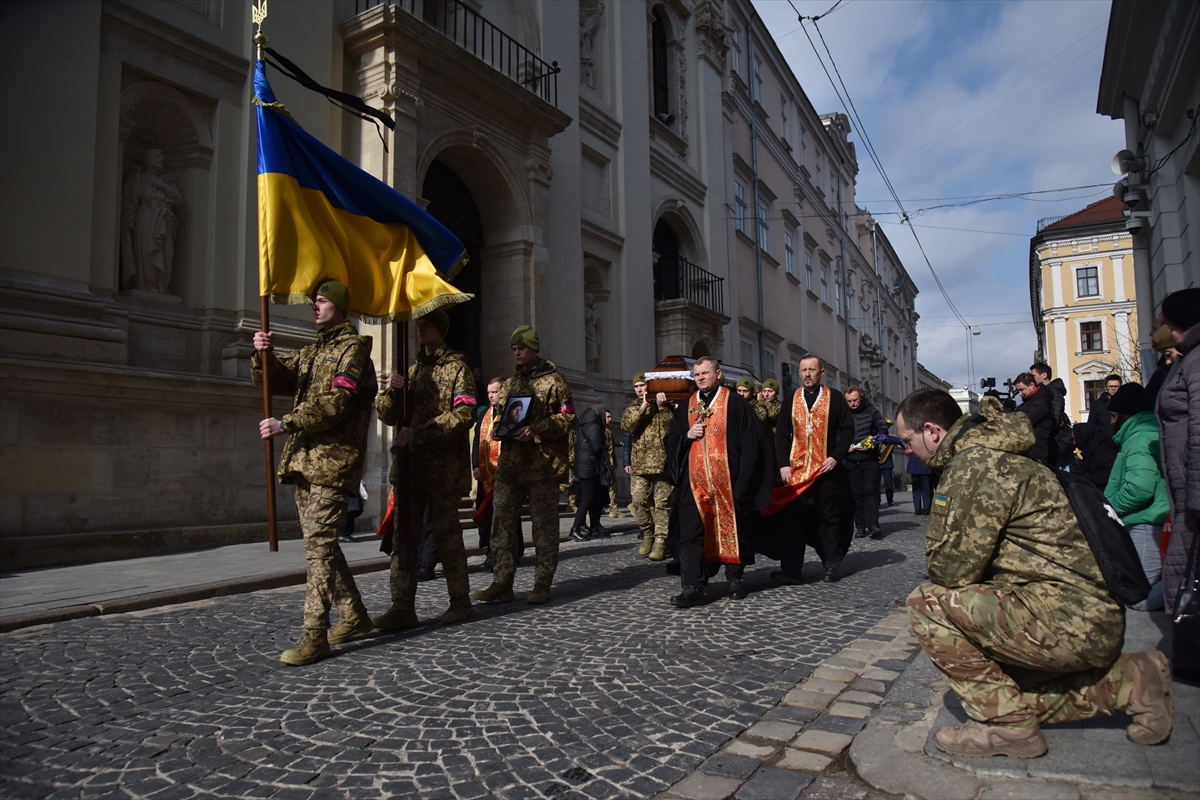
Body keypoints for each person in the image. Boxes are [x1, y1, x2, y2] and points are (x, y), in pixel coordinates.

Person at [898, 388, 1173, 759]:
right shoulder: (998, 452)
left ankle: (1008, 730)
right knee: (1009, 693)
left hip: (1065, 617)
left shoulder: (976, 465)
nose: (906, 450)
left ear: (932, 431)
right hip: (1086, 615)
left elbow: (951, 572)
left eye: (907, 440)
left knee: (927, 604)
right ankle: (1135, 682)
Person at [252, 280, 378, 666]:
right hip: (304, 460)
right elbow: (277, 378)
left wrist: (286, 423)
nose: (315, 306)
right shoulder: (313, 350)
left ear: (339, 307)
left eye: (322, 301)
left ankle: (314, 635)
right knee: (320, 546)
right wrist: (263, 354)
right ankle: (354, 614)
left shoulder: (353, 350)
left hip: (333, 463)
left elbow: (338, 402)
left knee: (319, 549)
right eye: (314, 301)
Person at [373, 309, 477, 630]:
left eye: (427, 324)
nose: (420, 327)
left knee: (447, 535)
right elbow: (387, 415)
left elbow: (464, 414)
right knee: (404, 536)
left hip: (443, 470)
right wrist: (392, 390)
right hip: (411, 468)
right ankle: (402, 605)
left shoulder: (458, 369)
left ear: (441, 330)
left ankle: (460, 600)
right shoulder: (413, 370)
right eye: (419, 323)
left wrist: (423, 430)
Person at [474, 326, 576, 605]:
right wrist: (498, 428)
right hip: (510, 465)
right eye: (513, 349)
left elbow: (568, 418)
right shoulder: (511, 384)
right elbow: (502, 415)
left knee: (544, 527)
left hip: (542, 467)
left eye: (521, 347)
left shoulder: (555, 380)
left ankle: (542, 582)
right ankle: (502, 582)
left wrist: (538, 429)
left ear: (534, 348)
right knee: (501, 523)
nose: (516, 352)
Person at [665, 357, 772, 606]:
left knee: (732, 530)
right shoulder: (688, 405)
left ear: (718, 373)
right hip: (694, 483)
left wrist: (743, 481)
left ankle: (735, 578)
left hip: (729, 482)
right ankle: (692, 585)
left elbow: (751, 444)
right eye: (697, 374)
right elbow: (671, 439)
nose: (700, 377)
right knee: (691, 534)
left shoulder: (734, 402)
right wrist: (686, 435)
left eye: (705, 373)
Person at [771, 355, 855, 583]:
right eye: (804, 370)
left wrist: (836, 457)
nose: (807, 374)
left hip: (825, 471)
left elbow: (847, 430)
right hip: (797, 472)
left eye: (812, 370)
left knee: (829, 517)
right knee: (793, 520)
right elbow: (781, 434)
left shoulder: (835, 398)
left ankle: (831, 564)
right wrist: (783, 464)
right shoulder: (791, 399)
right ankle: (791, 569)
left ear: (821, 372)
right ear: (800, 373)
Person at [1156, 288, 1200, 682]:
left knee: (1185, 572)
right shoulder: (1187, 359)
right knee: (1182, 570)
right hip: (1184, 489)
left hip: (1193, 493)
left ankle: (1189, 655)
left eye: (1164, 321)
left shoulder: (1196, 360)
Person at [1104, 383, 1169, 612]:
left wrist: (1109, 509)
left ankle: (1188, 587)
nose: (1111, 421)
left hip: (1146, 522)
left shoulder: (1140, 438)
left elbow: (1139, 489)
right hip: (1147, 519)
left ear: (1124, 414)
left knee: (1139, 597)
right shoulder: (1144, 434)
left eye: (1113, 415)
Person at [622, 373, 676, 561]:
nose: (639, 389)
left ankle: (661, 542)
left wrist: (662, 408)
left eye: (642, 386)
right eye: (636, 386)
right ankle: (648, 534)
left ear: (650, 386)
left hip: (663, 463)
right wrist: (644, 406)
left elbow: (674, 428)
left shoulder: (667, 407)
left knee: (663, 504)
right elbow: (628, 426)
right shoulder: (633, 409)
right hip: (640, 464)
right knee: (638, 501)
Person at [473, 377, 523, 572]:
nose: (491, 396)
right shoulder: (484, 414)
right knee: (487, 515)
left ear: (503, 391)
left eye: (494, 392)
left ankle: (508, 550)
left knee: (506, 515)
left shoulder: (511, 413)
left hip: (505, 473)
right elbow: (477, 442)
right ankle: (490, 550)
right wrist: (476, 465)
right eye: (489, 393)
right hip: (486, 474)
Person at [845, 387, 889, 539]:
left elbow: (883, 430)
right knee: (856, 494)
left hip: (869, 459)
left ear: (861, 398)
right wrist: (845, 444)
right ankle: (860, 526)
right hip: (851, 460)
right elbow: (837, 433)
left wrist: (872, 443)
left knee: (871, 492)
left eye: (855, 400)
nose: (853, 404)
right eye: (849, 401)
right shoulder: (843, 413)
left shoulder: (872, 411)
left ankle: (873, 525)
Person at [569, 404, 610, 542]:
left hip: (585, 466)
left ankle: (594, 527)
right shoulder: (594, 426)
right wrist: (606, 446)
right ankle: (575, 529)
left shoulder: (584, 424)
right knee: (587, 499)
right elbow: (597, 448)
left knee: (594, 498)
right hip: (589, 467)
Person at [1031, 362, 1072, 468]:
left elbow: (1055, 417)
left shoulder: (1054, 393)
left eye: (1034, 376)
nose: (1032, 379)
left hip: (1054, 441)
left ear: (1044, 375)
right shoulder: (1047, 392)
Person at [1013, 372, 1056, 467]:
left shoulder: (1041, 402)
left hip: (1036, 452)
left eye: (1022, 390)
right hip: (1032, 449)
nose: (1020, 394)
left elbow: (1023, 420)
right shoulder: (1032, 401)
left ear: (1032, 385)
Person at [1071, 421, 1117, 491]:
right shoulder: (1091, 448)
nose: (1074, 443)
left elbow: (1111, 472)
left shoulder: (1102, 450)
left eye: (1075, 438)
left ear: (1083, 436)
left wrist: (1087, 478)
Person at [606, 410, 626, 519]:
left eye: (610, 417)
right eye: (608, 417)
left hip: (610, 464)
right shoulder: (601, 430)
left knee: (613, 487)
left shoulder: (607, 431)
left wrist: (620, 443)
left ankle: (613, 509)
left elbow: (611, 445)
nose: (610, 419)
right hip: (605, 465)